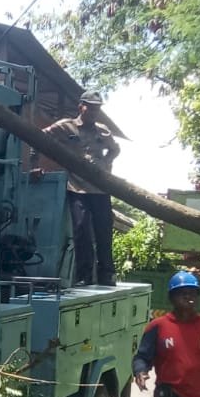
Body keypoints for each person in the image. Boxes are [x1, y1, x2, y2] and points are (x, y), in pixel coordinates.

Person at [34, 90, 122, 285]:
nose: (94, 112)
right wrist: (35, 164)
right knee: (81, 228)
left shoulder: (102, 130)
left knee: (103, 230)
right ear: (81, 106)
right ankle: (84, 275)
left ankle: (107, 274)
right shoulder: (66, 126)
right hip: (77, 186)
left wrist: (105, 163)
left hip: (100, 188)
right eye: (90, 107)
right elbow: (38, 137)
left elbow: (115, 149)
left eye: (97, 109)